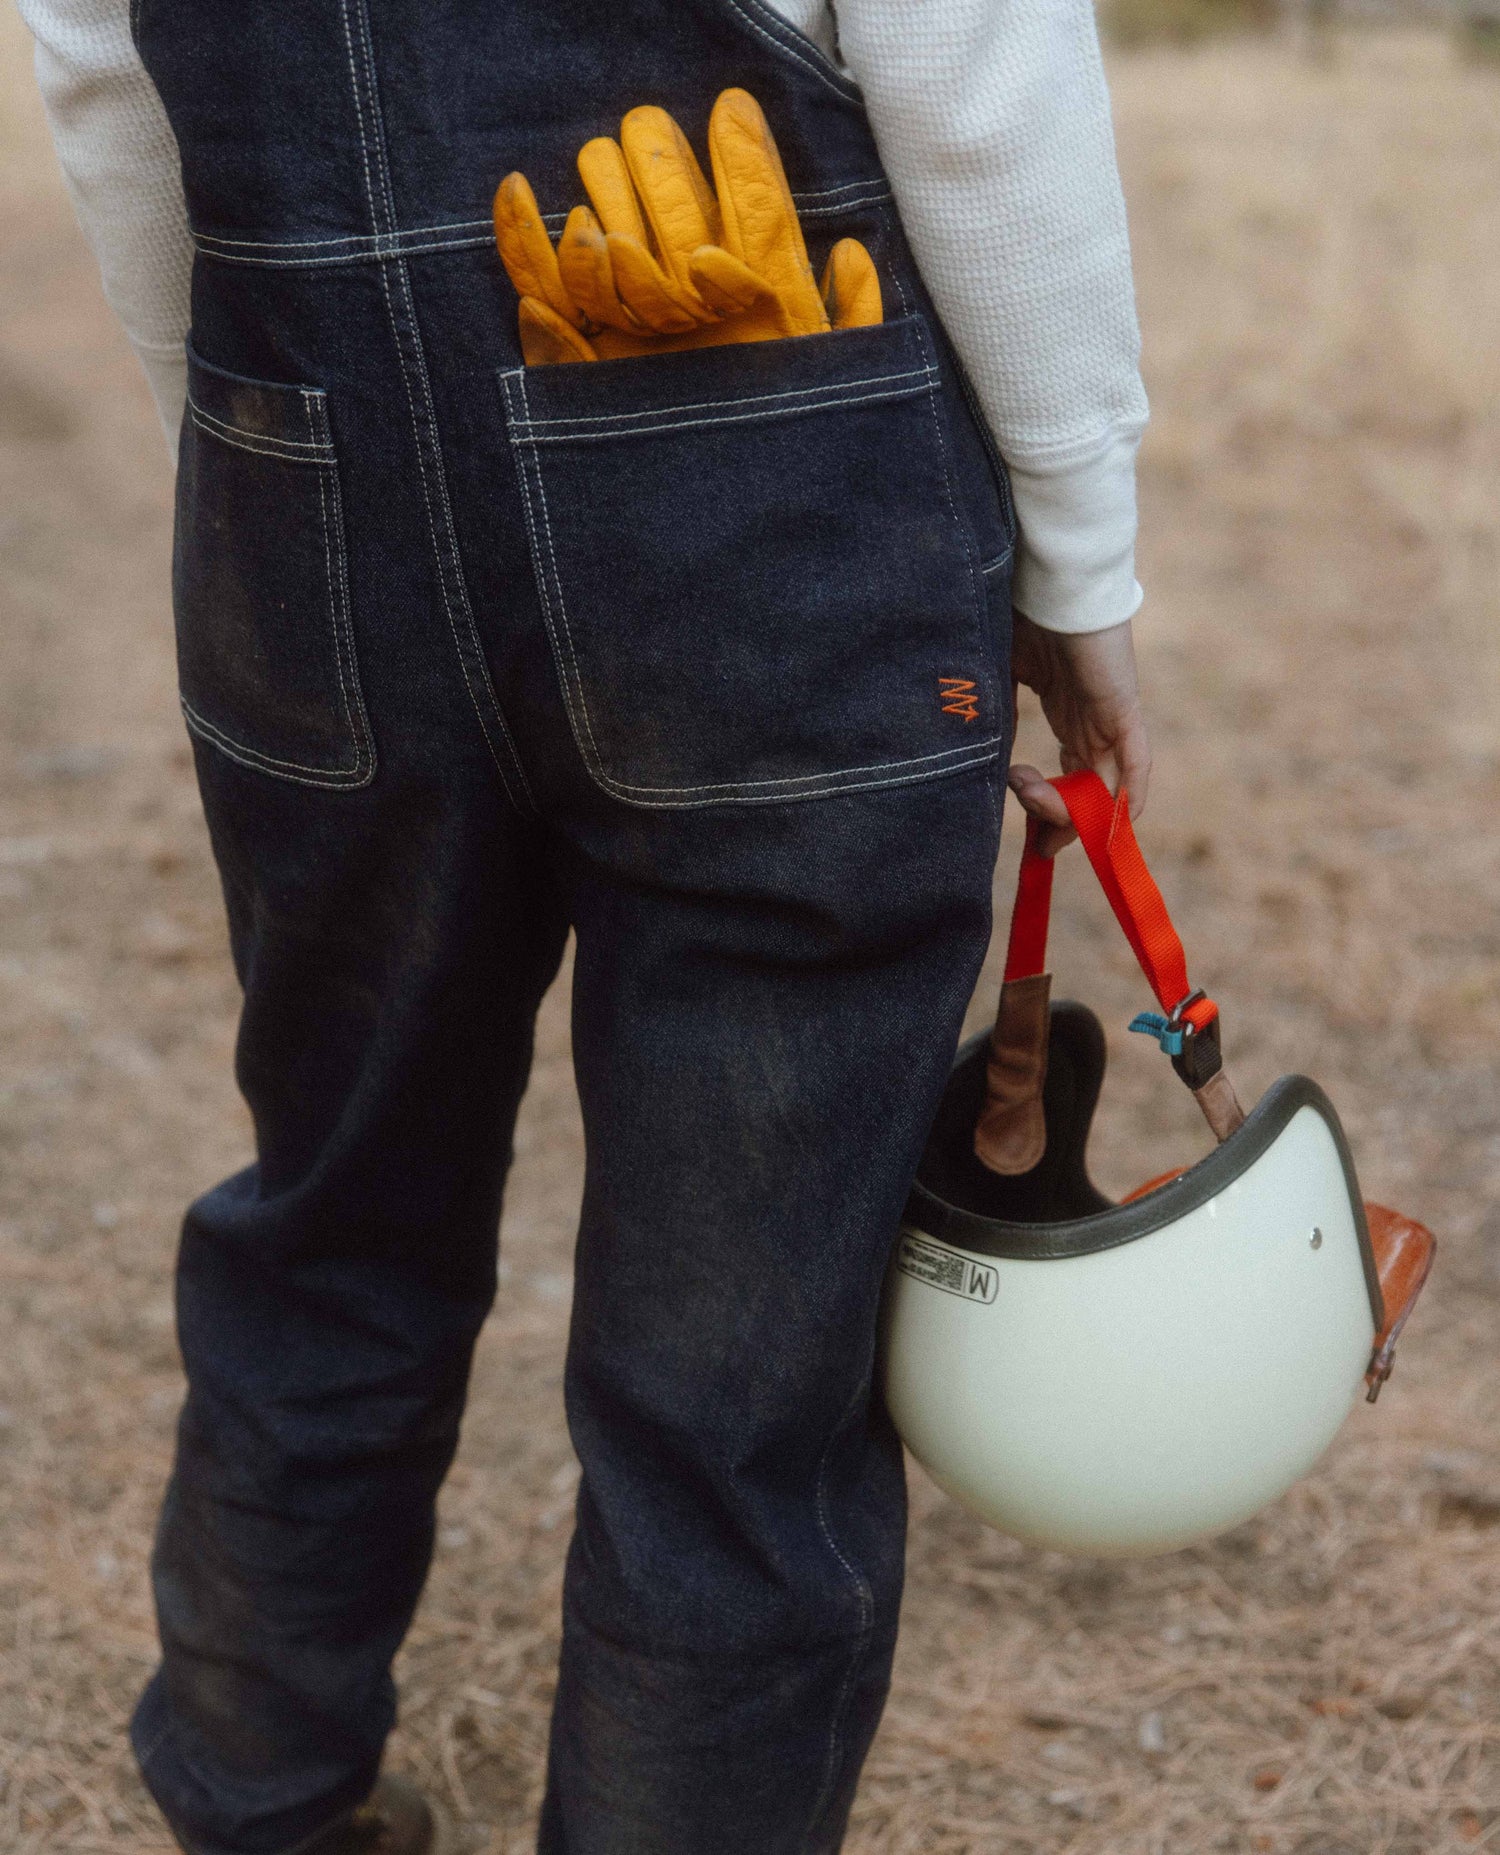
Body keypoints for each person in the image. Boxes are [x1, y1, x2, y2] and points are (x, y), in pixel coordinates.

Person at [18, 1, 1152, 1850]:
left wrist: (255, 458)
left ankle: (254, 1795)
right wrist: (1080, 547)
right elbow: (974, 64)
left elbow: (95, 66)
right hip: (773, 516)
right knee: (737, 1371)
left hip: (308, 480)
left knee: (335, 1207)